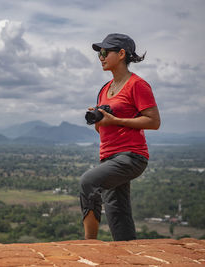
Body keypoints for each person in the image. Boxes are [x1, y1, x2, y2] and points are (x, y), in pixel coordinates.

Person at [79, 33, 161, 241]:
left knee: (88, 182)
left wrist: (115, 120)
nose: (101, 57)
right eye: (99, 53)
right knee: (117, 213)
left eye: (105, 52)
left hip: (132, 156)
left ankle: (89, 245)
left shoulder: (137, 85)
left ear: (122, 54)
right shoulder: (104, 89)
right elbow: (102, 129)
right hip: (109, 156)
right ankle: (128, 254)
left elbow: (153, 121)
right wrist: (101, 119)